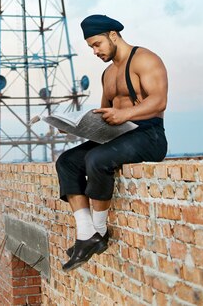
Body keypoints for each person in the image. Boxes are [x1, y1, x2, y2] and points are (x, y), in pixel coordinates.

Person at [56, 14, 168, 272]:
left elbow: (159, 100)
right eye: (91, 47)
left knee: (97, 159)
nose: (95, 51)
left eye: (97, 44)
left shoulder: (145, 59)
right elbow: (106, 117)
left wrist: (125, 114)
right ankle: (86, 235)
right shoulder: (108, 74)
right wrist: (76, 127)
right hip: (119, 135)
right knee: (68, 162)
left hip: (148, 135)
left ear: (113, 35)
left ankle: (99, 231)